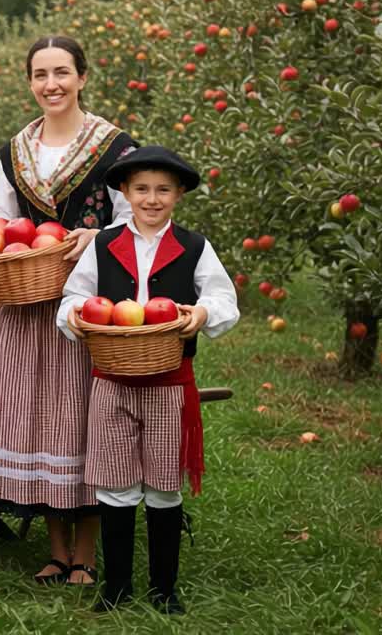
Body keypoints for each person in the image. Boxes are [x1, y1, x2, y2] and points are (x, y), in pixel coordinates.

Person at [0, 35, 139, 587]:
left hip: (86, 304)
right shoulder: (16, 151)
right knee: (36, 418)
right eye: (40, 75)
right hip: (22, 303)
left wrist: (96, 237)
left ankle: (85, 554)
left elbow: (137, 221)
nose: (51, 85)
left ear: (83, 77)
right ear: (30, 83)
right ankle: (55, 548)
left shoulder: (114, 149)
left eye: (62, 72)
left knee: (80, 417)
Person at [56, 145, 240, 614]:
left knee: (162, 484)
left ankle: (164, 588)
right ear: (125, 191)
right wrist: (75, 317)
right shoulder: (102, 244)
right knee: (114, 483)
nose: (152, 199)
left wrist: (201, 312)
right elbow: (73, 296)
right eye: (141, 189)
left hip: (167, 383)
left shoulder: (194, 247)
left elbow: (223, 299)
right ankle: (115, 586)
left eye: (163, 190)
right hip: (112, 380)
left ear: (178, 194)